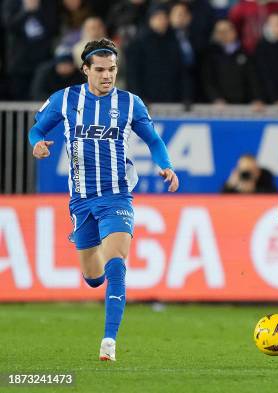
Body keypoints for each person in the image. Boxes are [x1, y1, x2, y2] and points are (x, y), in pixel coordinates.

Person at [28, 38, 179, 362]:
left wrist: (165, 164)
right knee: (93, 278)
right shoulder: (65, 99)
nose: (107, 75)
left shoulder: (130, 103)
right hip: (81, 200)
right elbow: (36, 130)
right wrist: (38, 144)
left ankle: (109, 340)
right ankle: (98, 275)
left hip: (117, 196)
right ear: (85, 70)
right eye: (100, 70)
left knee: (116, 264)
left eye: (112, 69)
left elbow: (153, 139)